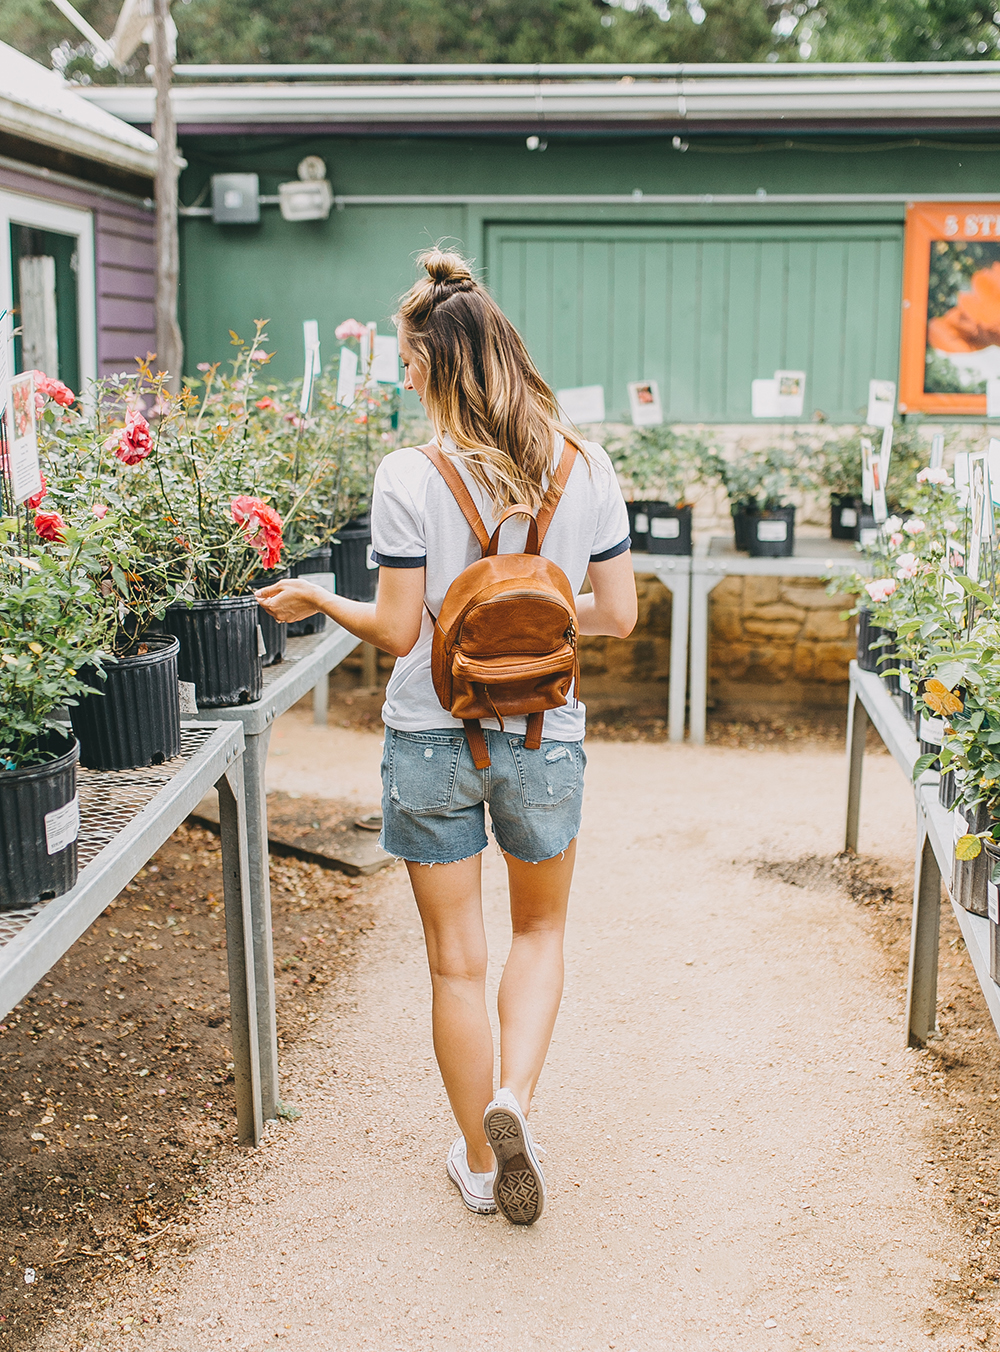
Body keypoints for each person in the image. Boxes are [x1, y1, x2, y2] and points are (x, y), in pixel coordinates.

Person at [256, 248, 637, 1225]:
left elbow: (394, 628)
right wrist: (539, 612)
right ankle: (515, 1096)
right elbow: (618, 614)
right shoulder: (585, 465)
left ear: (433, 363)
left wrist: (314, 596)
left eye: (406, 359)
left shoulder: (406, 474)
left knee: (455, 960)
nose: (402, 374)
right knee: (542, 929)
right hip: (544, 730)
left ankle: (478, 1152)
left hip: (431, 732)